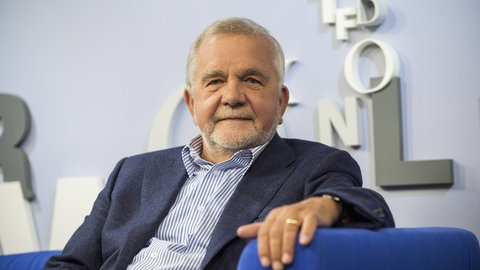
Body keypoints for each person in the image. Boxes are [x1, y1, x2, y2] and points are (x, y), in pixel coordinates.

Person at [44, 17, 394, 270]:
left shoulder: (315, 166)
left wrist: (326, 205)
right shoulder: (132, 173)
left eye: (252, 80)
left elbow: (370, 208)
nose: (232, 96)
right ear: (192, 103)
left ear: (281, 102)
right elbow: (69, 264)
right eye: (214, 82)